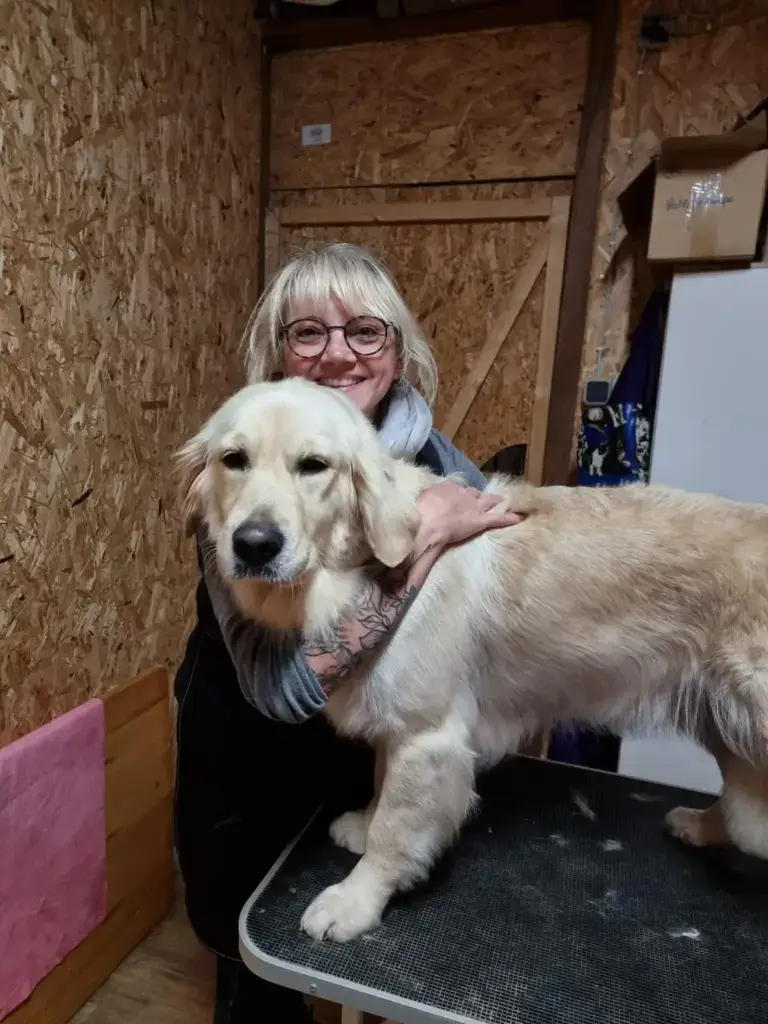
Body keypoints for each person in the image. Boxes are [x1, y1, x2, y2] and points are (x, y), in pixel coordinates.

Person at [173, 242, 523, 1023]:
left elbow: (498, 564)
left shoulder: (432, 458)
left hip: (356, 769)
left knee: (368, 969)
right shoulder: (236, 460)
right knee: (256, 974)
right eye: (307, 334)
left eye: (365, 331)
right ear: (278, 354)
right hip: (250, 757)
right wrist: (422, 536)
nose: (337, 353)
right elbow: (281, 687)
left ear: (397, 354)